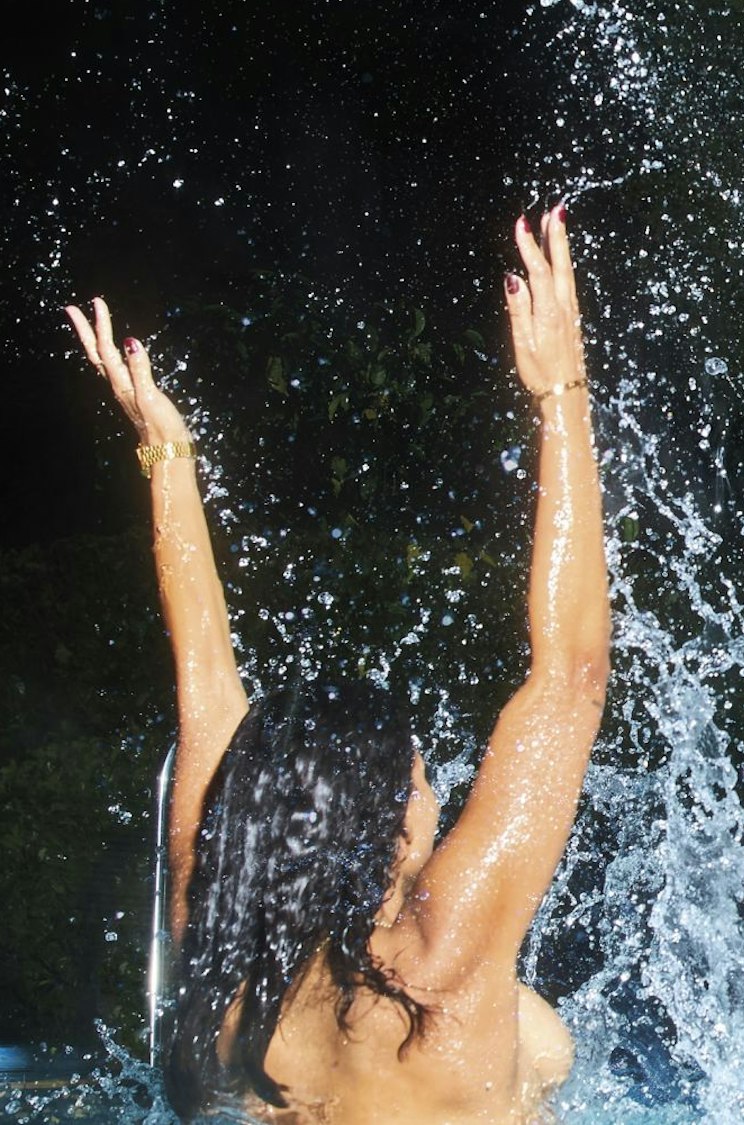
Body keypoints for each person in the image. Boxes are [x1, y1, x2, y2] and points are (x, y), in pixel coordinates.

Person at [65, 206, 611, 1123]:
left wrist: (165, 450)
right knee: (543, 1039)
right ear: (390, 830)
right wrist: (563, 393)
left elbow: (206, 697)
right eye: (420, 775)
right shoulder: (448, 960)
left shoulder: (226, 960)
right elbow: (572, 676)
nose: (434, 787)